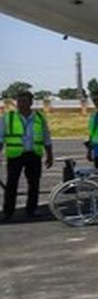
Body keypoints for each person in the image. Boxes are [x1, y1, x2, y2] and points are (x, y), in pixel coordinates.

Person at [3, 91, 53, 221]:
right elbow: (0, 138)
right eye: (19, 101)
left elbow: (46, 137)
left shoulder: (39, 117)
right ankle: (8, 212)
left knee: (34, 184)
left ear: (31, 102)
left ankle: (32, 210)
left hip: (34, 154)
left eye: (24, 101)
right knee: (11, 184)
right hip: (15, 156)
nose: (21, 104)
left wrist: (49, 154)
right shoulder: (8, 117)